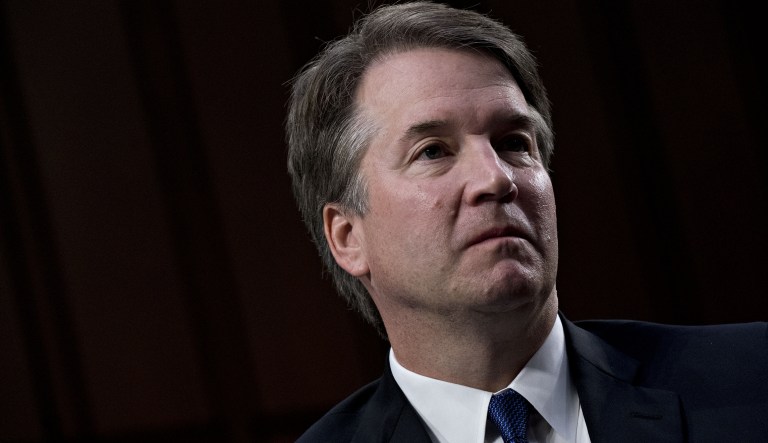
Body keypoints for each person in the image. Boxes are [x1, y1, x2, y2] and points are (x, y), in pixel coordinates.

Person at [285, 2, 768, 442]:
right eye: (432, 151)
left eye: (514, 142)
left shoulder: (753, 377)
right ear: (348, 238)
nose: (495, 179)